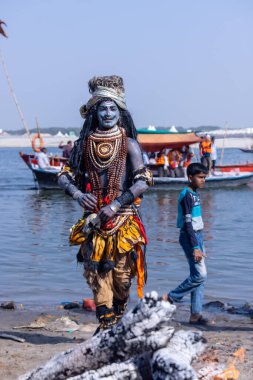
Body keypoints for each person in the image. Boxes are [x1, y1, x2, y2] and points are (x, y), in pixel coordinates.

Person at [58, 75, 153, 331]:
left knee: (122, 278)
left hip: (123, 220)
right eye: (103, 108)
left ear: (120, 112)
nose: (108, 113)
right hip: (95, 223)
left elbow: (144, 180)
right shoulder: (83, 145)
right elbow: (64, 176)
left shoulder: (130, 144)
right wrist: (78, 195)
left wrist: (115, 204)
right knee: (97, 274)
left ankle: (117, 317)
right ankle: (106, 326)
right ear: (95, 112)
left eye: (113, 108)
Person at [163, 162, 209, 325]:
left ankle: (195, 314)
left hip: (197, 236)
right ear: (190, 177)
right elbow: (188, 224)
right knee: (200, 275)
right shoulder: (187, 195)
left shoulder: (194, 193)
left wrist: (200, 241)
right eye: (200, 177)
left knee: (199, 277)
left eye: (205, 177)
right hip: (191, 237)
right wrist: (196, 247)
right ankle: (170, 297)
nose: (203, 180)